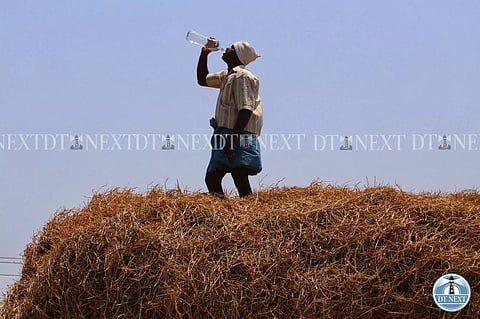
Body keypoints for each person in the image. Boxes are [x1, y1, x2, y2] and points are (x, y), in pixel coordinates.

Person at [196, 39, 263, 198]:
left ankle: (245, 210)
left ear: (238, 55)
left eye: (232, 48)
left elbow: (245, 109)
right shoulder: (227, 75)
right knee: (214, 176)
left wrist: (232, 139)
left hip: (239, 133)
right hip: (226, 133)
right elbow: (202, 79)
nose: (226, 48)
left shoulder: (242, 76)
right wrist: (204, 53)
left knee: (239, 173)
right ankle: (224, 210)